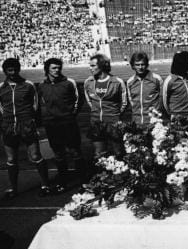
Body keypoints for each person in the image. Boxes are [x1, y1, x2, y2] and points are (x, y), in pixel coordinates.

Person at [0, 58, 50, 198]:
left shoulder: (28, 85)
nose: (13, 73)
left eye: (15, 69)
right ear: (5, 71)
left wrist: (36, 124)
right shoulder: (1, 87)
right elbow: (1, 108)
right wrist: (5, 123)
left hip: (26, 125)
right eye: (10, 70)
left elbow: (36, 106)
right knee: (11, 159)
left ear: (19, 69)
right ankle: (13, 188)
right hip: (8, 127)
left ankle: (45, 185)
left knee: (35, 155)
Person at [37, 58, 86, 192]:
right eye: (54, 68)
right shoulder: (41, 85)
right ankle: (63, 183)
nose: (57, 70)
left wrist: (70, 115)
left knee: (75, 151)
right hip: (51, 125)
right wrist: (46, 118)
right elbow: (41, 103)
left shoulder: (69, 83)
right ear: (47, 69)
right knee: (58, 154)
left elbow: (78, 100)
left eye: (59, 67)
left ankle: (83, 182)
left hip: (68, 123)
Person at [83, 54, 127, 160]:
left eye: (93, 65)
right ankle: (102, 176)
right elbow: (90, 101)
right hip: (96, 122)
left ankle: (120, 175)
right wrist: (97, 113)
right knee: (99, 154)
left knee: (118, 153)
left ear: (102, 65)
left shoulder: (117, 82)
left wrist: (114, 115)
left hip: (113, 122)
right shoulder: (88, 82)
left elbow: (124, 103)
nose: (90, 68)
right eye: (90, 65)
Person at [163, 51, 188, 129]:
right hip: (179, 119)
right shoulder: (169, 80)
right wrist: (174, 114)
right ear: (183, 64)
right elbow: (164, 103)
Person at [126, 52, 163, 127]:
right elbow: (131, 102)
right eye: (137, 65)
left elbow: (162, 100)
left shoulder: (157, 79)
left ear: (147, 65)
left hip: (153, 122)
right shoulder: (130, 82)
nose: (140, 67)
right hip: (136, 122)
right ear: (133, 66)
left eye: (142, 64)